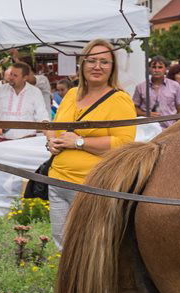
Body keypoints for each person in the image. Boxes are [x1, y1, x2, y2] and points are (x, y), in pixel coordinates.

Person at [45, 40, 136, 247]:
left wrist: (79, 142)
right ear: (82, 64)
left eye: (104, 62)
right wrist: (50, 142)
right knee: (63, 245)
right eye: (92, 60)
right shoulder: (71, 94)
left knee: (90, 246)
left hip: (92, 185)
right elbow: (54, 126)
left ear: (112, 67)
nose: (97, 66)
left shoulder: (119, 99)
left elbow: (124, 143)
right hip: (57, 181)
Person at [0, 61, 49, 139]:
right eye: (11, 74)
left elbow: (42, 115)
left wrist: (48, 133)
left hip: (27, 141)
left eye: (15, 75)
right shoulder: (0, 90)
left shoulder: (35, 92)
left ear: (25, 78)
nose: (11, 77)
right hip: (3, 140)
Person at [131, 56, 180, 128]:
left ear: (166, 69)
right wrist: (146, 114)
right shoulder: (140, 87)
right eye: (154, 67)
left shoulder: (175, 86)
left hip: (169, 128)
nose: (157, 70)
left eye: (160, 67)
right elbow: (134, 108)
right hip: (146, 129)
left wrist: (176, 125)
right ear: (149, 69)